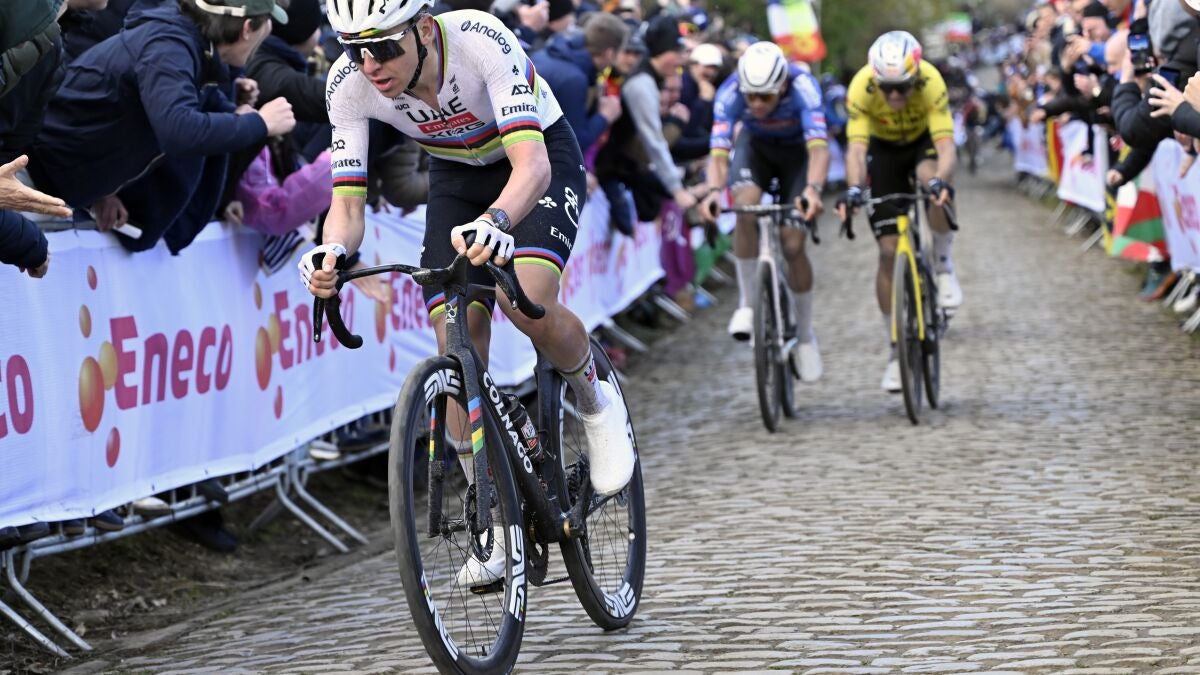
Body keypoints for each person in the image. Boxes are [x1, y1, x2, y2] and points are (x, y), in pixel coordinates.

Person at [301, 0, 635, 587]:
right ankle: (496, 522)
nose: (370, 64)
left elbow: (531, 167)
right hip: (455, 176)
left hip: (533, 159)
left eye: (383, 47)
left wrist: (498, 221)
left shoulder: (479, 38)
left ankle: (595, 402)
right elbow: (346, 207)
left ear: (423, 29)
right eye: (354, 50)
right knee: (457, 342)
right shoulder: (349, 84)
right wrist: (332, 252)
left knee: (524, 298)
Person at [29, 0, 294, 254]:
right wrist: (259, 123)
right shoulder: (170, 45)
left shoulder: (189, 44)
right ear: (247, 29)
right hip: (31, 176)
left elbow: (153, 113)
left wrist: (102, 194)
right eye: (266, 23)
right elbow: (180, 131)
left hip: (56, 182)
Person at [835, 31, 960, 393]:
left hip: (922, 144)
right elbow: (856, 151)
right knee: (888, 253)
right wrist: (854, 188)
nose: (894, 96)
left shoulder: (931, 81)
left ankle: (943, 266)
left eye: (902, 88)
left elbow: (946, 146)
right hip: (884, 151)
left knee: (931, 181)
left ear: (915, 77)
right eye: (887, 88)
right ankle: (896, 349)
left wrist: (940, 181)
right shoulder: (861, 87)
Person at [697, 41, 829, 382]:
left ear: (782, 86)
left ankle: (805, 336)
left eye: (765, 97)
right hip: (756, 149)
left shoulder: (803, 87)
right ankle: (747, 303)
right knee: (745, 208)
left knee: (793, 245)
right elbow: (718, 154)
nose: (756, 104)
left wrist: (813, 190)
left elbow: (819, 150)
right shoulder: (730, 93)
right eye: (751, 97)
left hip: (798, 156)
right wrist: (713, 192)